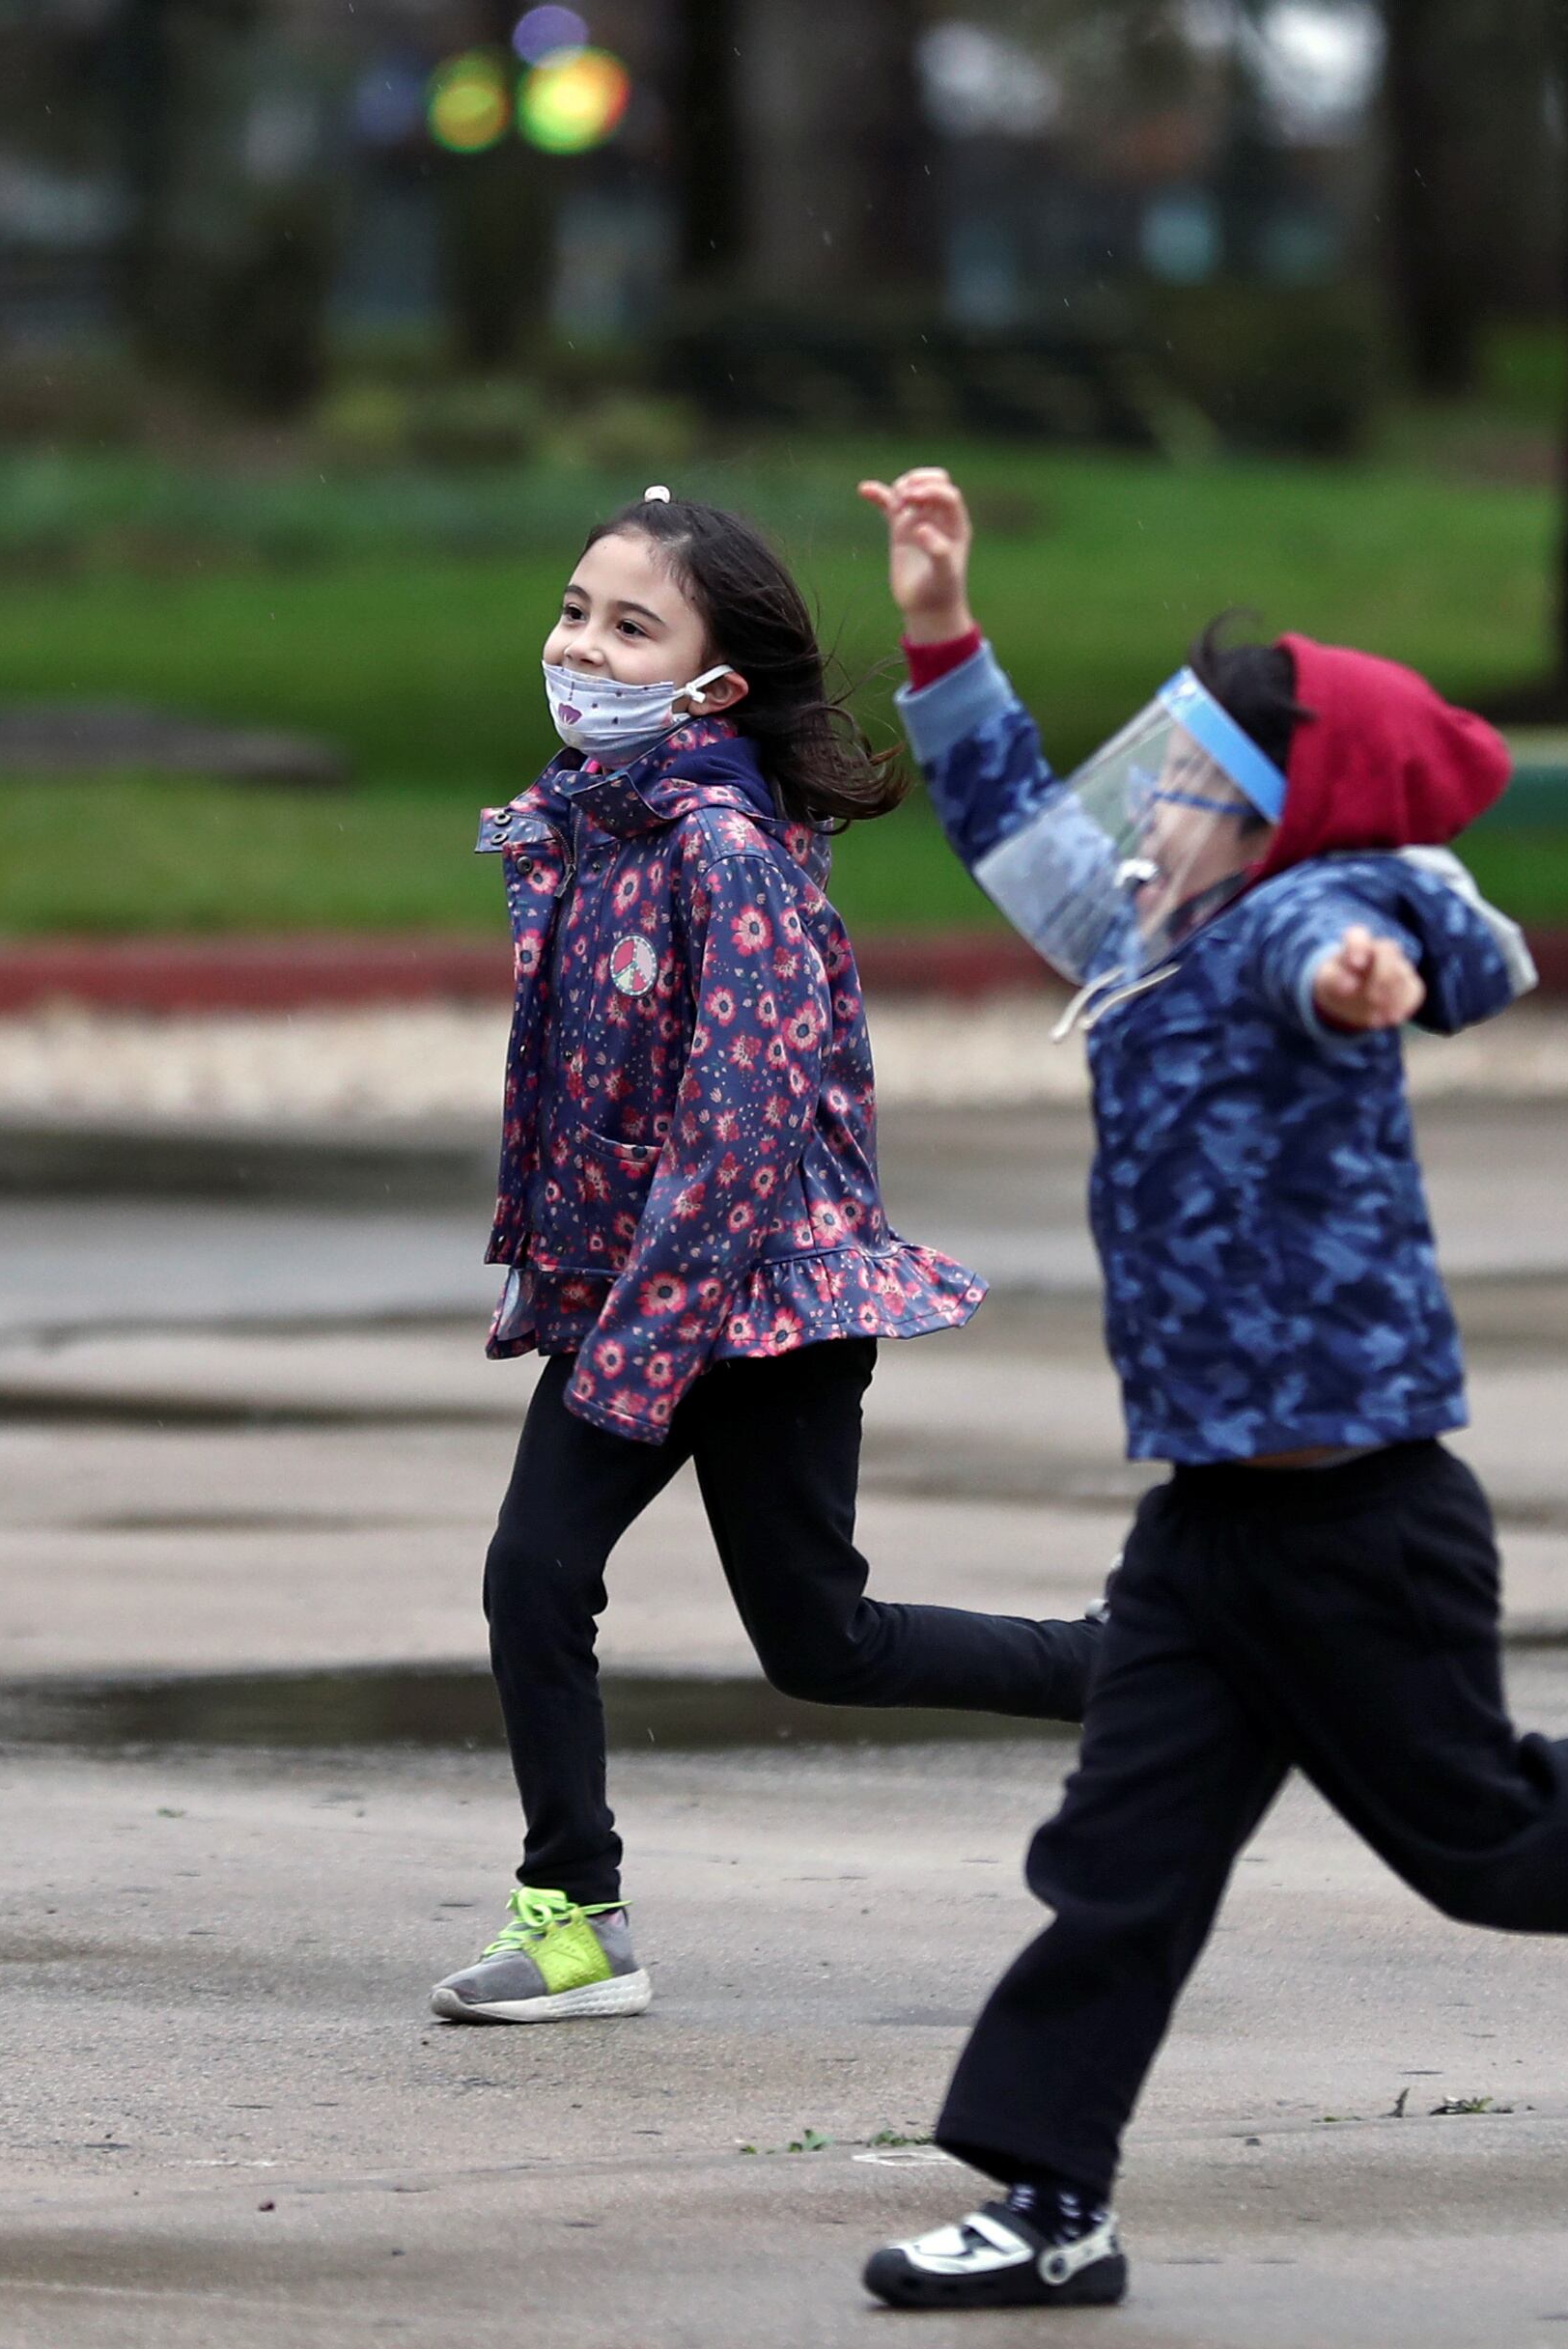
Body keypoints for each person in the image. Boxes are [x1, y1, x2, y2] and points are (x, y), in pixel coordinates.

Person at [848, 466, 1568, 2309]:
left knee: (1477, 1840)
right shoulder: (1139, 932)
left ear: (1289, 823)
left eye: (1199, 792)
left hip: (1361, 1519)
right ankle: (1044, 2200)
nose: (1159, 812)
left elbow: (1380, 943)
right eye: (1163, 776)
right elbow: (1010, 812)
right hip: (1205, 1522)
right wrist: (940, 623)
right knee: (1121, 1862)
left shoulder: (1286, 924)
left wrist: (1362, 969)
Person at [430, 489, 1103, 2027]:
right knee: (534, 1577)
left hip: (762, 1314)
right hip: (640, 1307)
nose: (579, 644)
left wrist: (627, 1363)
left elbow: (732, 1153)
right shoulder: (596, 820)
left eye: (627, 624)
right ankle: (575, 1919)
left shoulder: (723, 852)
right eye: (574, 607)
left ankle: (1132, 1669)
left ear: (713, 685)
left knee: (823, 1642)